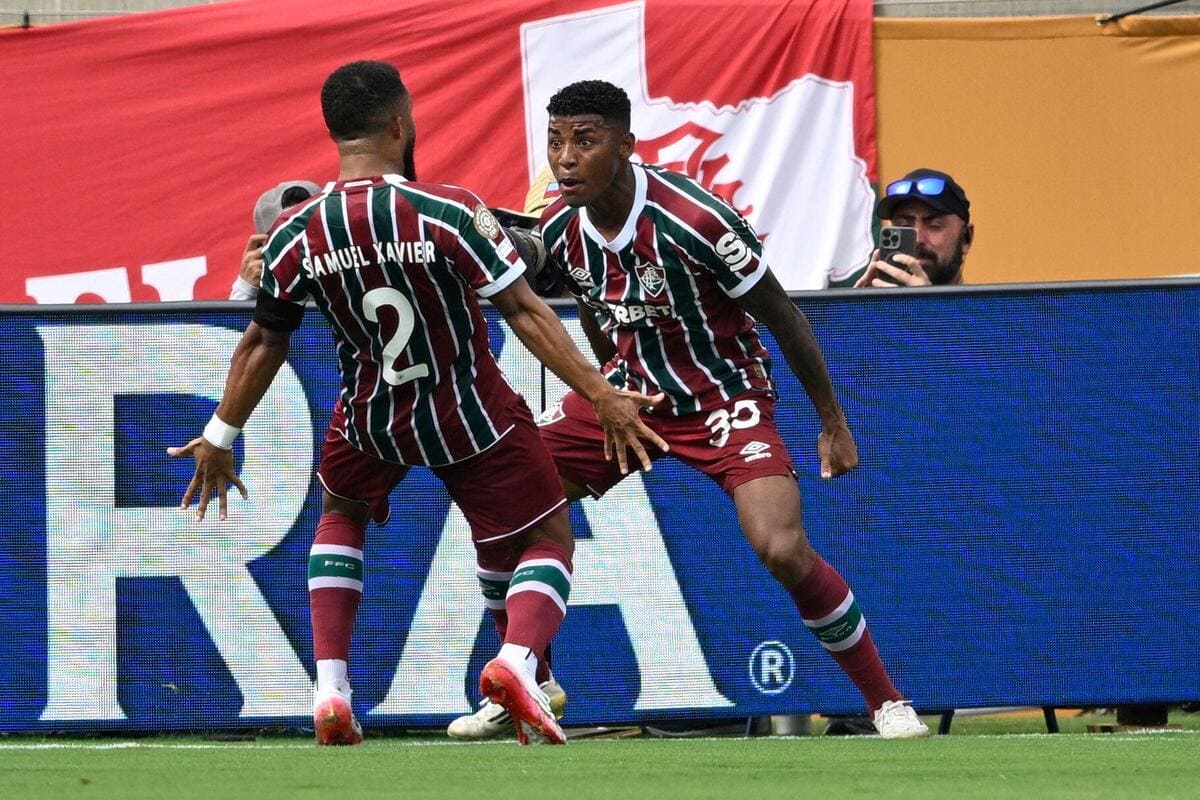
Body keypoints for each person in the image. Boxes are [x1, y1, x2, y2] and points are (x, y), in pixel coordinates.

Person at [171, 61, 666, 747]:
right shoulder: (448, 210)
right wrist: (601, 392)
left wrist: (221, 434)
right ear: (401, 124)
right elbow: (525, 311)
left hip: (370, 416)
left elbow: (262, 342)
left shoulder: (294, 233)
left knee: (341, 513)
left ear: (334, 132)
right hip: (469, 414)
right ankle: (519, 663)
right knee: (546, 539)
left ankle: (332, 689)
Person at [522, 79, 930, 738]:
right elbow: (595, 305)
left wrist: (832, 420)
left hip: (723, 398)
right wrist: (609, 384)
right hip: (638, 399)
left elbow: (783, 315)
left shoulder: (696, 218)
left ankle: (885, 700)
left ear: (626, 145)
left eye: (585, 140)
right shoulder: (559, 226)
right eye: (556, 141)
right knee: (515, 497)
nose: (565, 158)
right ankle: (529, 680)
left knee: (781, 547)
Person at [854, 168, 973, 288]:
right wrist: (860, 304)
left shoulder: (988, 305)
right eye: (904, 226)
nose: (917, 240)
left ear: (966, 238)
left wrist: (923, 304)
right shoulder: (872, 305)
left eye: (934, 225)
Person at [229, 181, 322, 300]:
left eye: (306, 233)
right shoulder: (262, 290)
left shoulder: (346, 274)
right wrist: (245, 289)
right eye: (283, 237)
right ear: (262, 250)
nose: (295, 247)